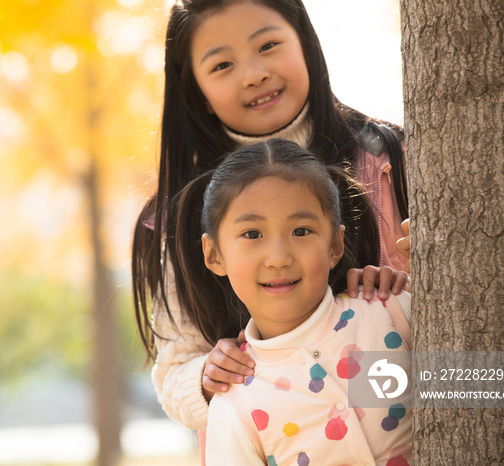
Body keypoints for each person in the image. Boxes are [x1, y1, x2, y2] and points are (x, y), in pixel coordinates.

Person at [131, 0, 410, 434]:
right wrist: (208, 375)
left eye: (268, 45)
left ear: (305, 45)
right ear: (197, 94)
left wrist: (412, 289)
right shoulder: (184, 217)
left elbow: (499, 380)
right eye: (222, 65)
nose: (253, 73)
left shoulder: (392, 162)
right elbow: (173, 371)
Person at [174, 138, 411, 465]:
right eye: (253, 234)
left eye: (300, 231)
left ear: (335, 245)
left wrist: (434, 282)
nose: (278, 258)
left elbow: (495, 385)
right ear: (214, 255)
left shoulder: (389, 312)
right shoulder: (236, 403)